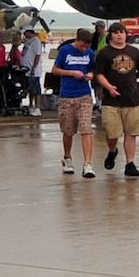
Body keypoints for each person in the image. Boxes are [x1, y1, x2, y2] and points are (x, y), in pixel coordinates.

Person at [94, 26, 139, 177]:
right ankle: (112, 150)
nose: (119, 36)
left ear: (126, 35)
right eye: (116, 33)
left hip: (132, 99)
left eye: (122, 32)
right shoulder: (104, 53)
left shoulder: (135, 52)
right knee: (112, 133)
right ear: (110, 35)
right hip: (111, 101)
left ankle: (130, 163)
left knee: (131, 132)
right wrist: (108, 87)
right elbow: (99, 74)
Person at [53, 27, 99, 176]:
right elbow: (55, 70)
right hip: (67, 95)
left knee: (86, 129)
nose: (84, 49)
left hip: (84, 95)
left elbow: (92, 69)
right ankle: (67, 157)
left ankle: (88, 164)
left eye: (86, 47)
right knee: (68, 130)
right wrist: (71, 73)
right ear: (76, 40)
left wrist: (90, 74)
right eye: (82, 46)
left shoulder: (89, 53)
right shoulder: (65, 51)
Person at [20, 29, 45, 116]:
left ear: (29, 32)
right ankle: (31, 105)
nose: (24, 34)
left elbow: (37, 55)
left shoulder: (36, 41)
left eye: (25, 33)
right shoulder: (28, 41)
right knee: (30, 88)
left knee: (36, 88)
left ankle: (37, 108)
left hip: (32, 69)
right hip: (26, 69)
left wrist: (34, 68)